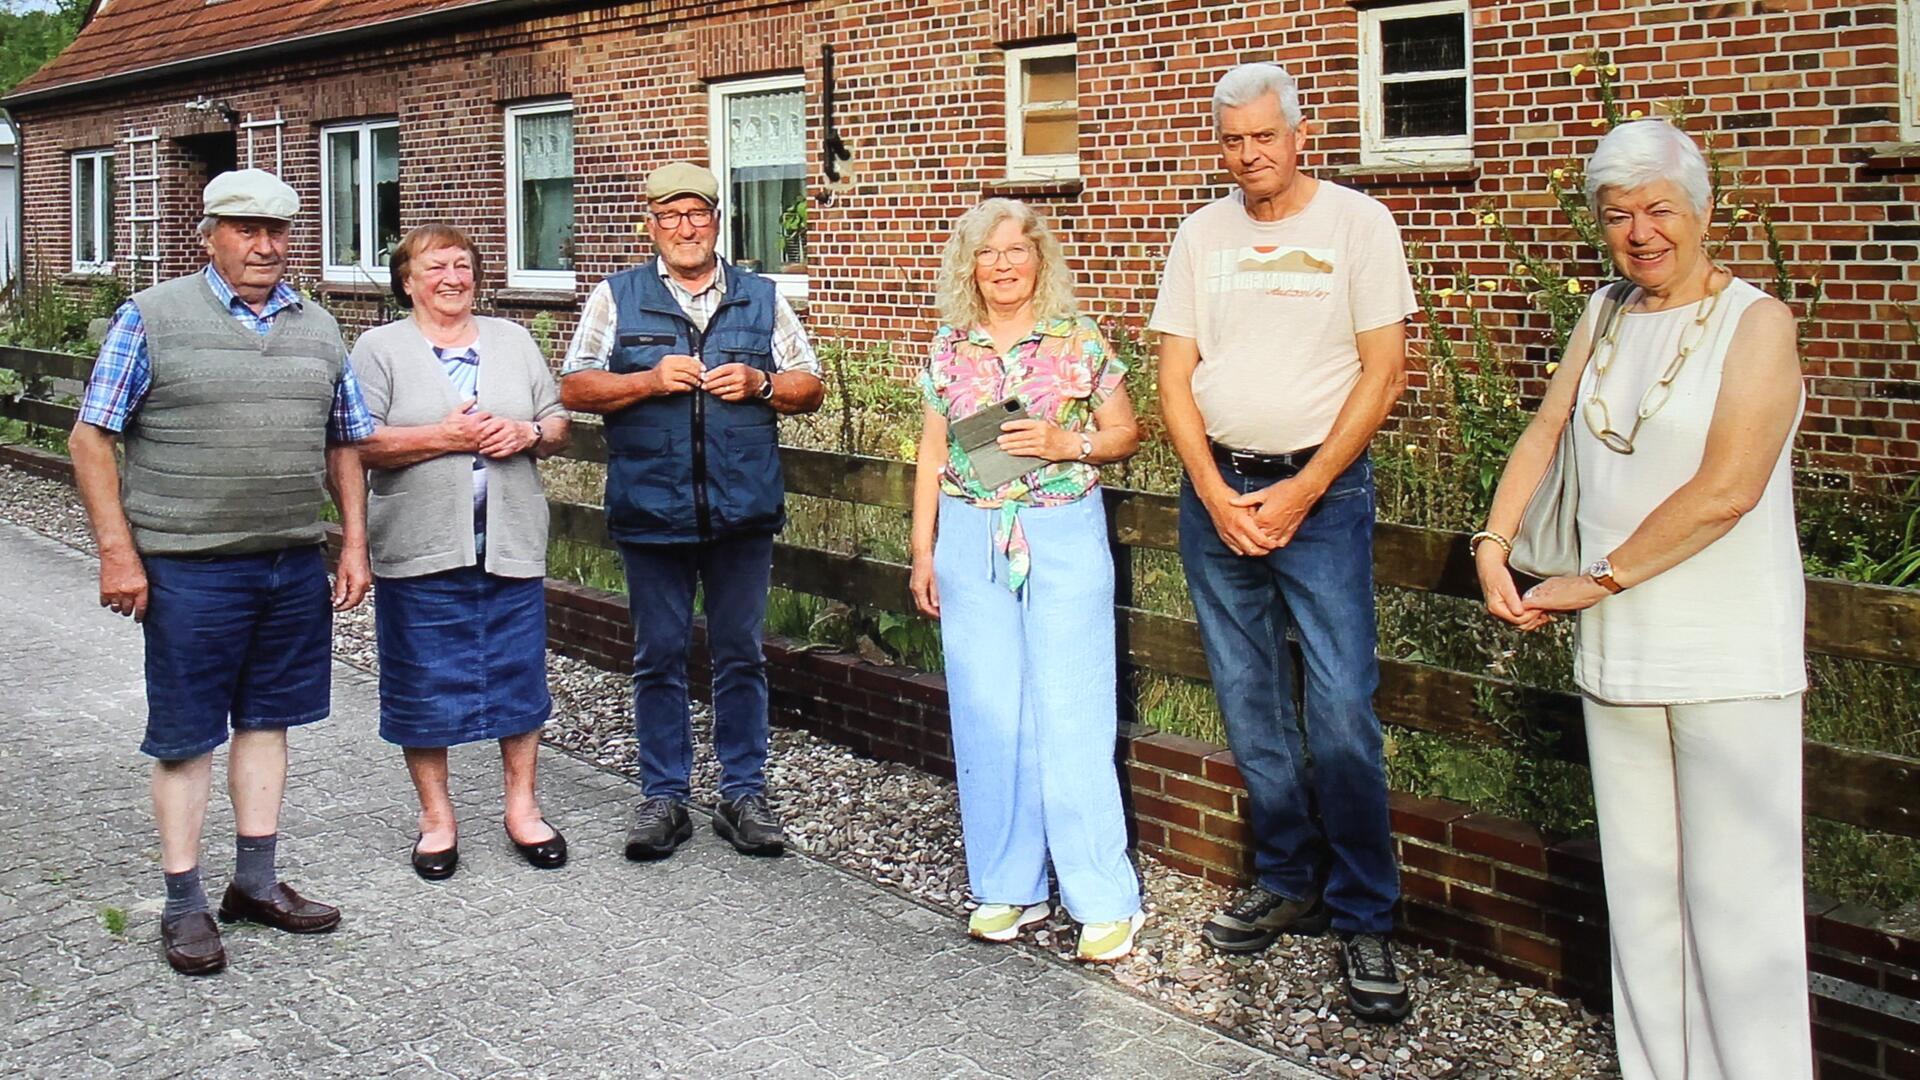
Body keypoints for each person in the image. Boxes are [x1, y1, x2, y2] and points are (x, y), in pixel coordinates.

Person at [1474, 119, 1811, 1080]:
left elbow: (1728, 487)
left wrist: (1596, 577)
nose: (1640, 231)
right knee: (1644, 901)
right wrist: (1496, 542)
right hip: (1617, 653)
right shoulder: (1604, 313)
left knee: (1742, 915)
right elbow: (1545, 432)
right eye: (1617, 215)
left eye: (1660, 209)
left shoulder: (1758, 322)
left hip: (1727, 658)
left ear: (1701, 212)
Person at [1150, 62, 1418, 1022]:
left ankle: (1365, 917)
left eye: (1264, 136)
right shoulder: (1199, 234)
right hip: (1218, 488)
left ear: (1299, 136)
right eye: (1231, 139)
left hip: (1324, 492)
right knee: (1250, 696)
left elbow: (1383, 374)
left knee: (1343, 702)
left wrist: (1304, 490)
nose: (1248, 154)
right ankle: (1288, 875)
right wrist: (1216, 490)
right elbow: (1174, 376)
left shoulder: (1359, 225)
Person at [68, 169, 373, 975]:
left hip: (287, 563)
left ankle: (255, 884)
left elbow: (346, 441)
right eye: (245, 230)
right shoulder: (152, 317)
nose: (264, 246)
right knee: (185, 738)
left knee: (268, 723)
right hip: (187, 570)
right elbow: (90, 438)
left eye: (276, 231)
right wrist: (117, 552)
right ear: (209, 236)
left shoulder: (319, 326)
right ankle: (183, 903)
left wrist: (352, 544)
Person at [559, 162, 824, 861]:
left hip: (742, 511)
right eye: (669, 216)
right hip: (652, 507)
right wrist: (645, 381)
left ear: (716, 221)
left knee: (740, 655)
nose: (684, 228)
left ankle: (744, 794)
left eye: (696, 215)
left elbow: (811, 384)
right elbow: (576, 386)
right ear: (650, 225)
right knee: (658, 657)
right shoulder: (617, 297)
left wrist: (764, 383)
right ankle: (664, 798)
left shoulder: (761, 298)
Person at [908, 198, 1146, 962]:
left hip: (1060, 534)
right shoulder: (950, 348)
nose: (1003, 265)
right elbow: (931, 454)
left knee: (1072, 708)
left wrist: (1064, 440)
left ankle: (1103, 897)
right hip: (971, 539)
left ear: (1039, 260)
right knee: (988, 714)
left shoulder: (1076, 341)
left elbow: (1126, 433)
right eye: (988, 252)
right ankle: (1009, 884)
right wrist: (923, 552)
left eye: (1017, 250)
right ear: (967, 266)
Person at [349, 224, 573, 881]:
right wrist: (445, 437)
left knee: (519, 677)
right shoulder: (379, 348)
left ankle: (522, 808)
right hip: (419, 548)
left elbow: (559, 422)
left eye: (463, 265)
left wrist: (527, 430)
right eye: (435, 266)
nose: (452, 277)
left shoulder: (514, 340)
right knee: (422, 682)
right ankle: (437, 819)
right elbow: (358, 440)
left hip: (511, 546)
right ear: (408, 280)